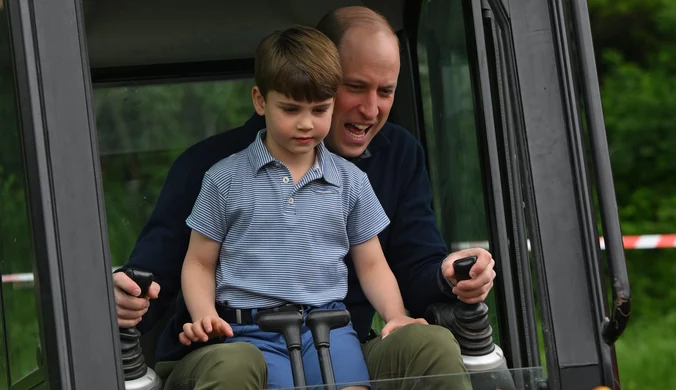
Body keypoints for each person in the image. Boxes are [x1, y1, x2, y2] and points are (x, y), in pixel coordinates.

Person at [114, 5, 496, 390]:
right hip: (232, 343)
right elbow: (160, 274)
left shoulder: (394, 157)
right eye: (356, 86)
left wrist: (447, 277)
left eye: (386, 91)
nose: (370, 108)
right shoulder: (214, 169)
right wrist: (129, 297)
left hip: (334, 337)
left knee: (429, 344)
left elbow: (399, 264)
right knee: (237, 363)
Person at [178, 25, 425, 389]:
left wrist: (396, 314)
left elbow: (372, 264)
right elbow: (199, 262)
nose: (306, 123)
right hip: (251, 330)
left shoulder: (351, 181)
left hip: (331, 326)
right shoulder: (223, 178)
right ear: (261, 101)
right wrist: (205, 316)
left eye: (320, 109)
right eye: (291, 109)